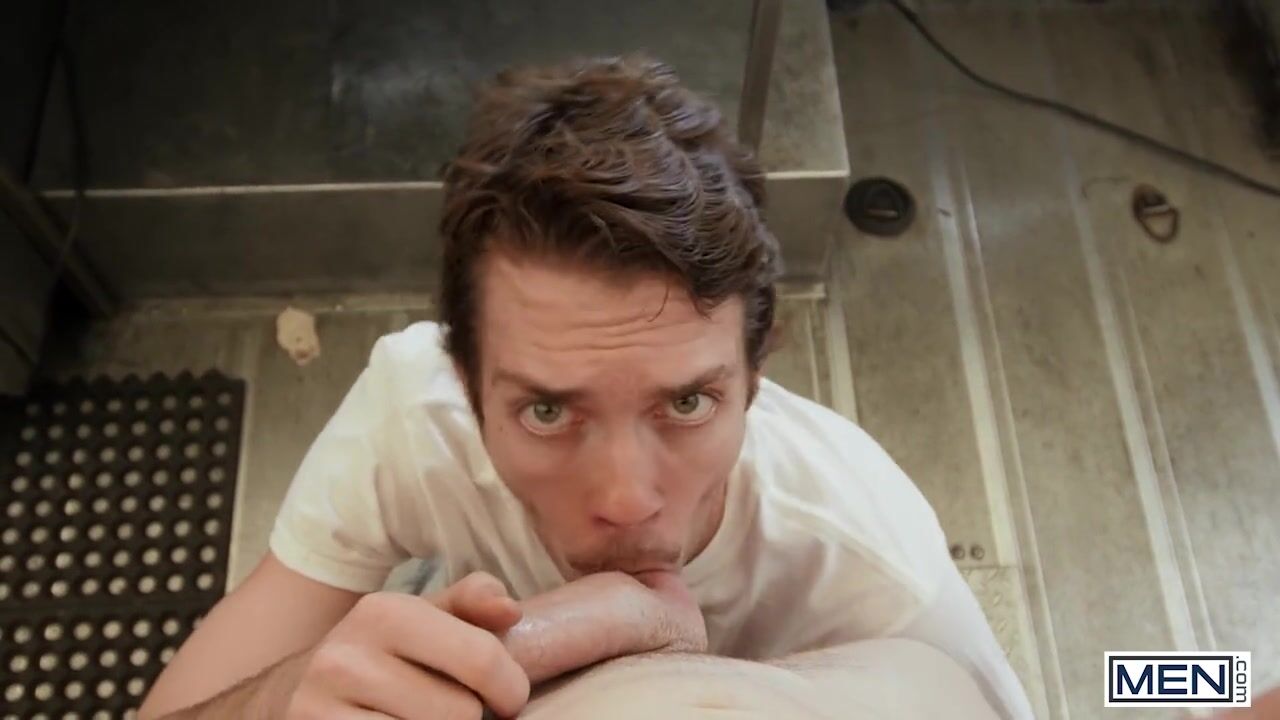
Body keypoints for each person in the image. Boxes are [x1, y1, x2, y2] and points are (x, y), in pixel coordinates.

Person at [138, 55, 1033, 720]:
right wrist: (285, 695)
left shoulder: (863, 558)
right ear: (467, 383)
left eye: (687, 403)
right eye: (547, 411)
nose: (626, 499)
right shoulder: (412, 417)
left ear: (756, 379)